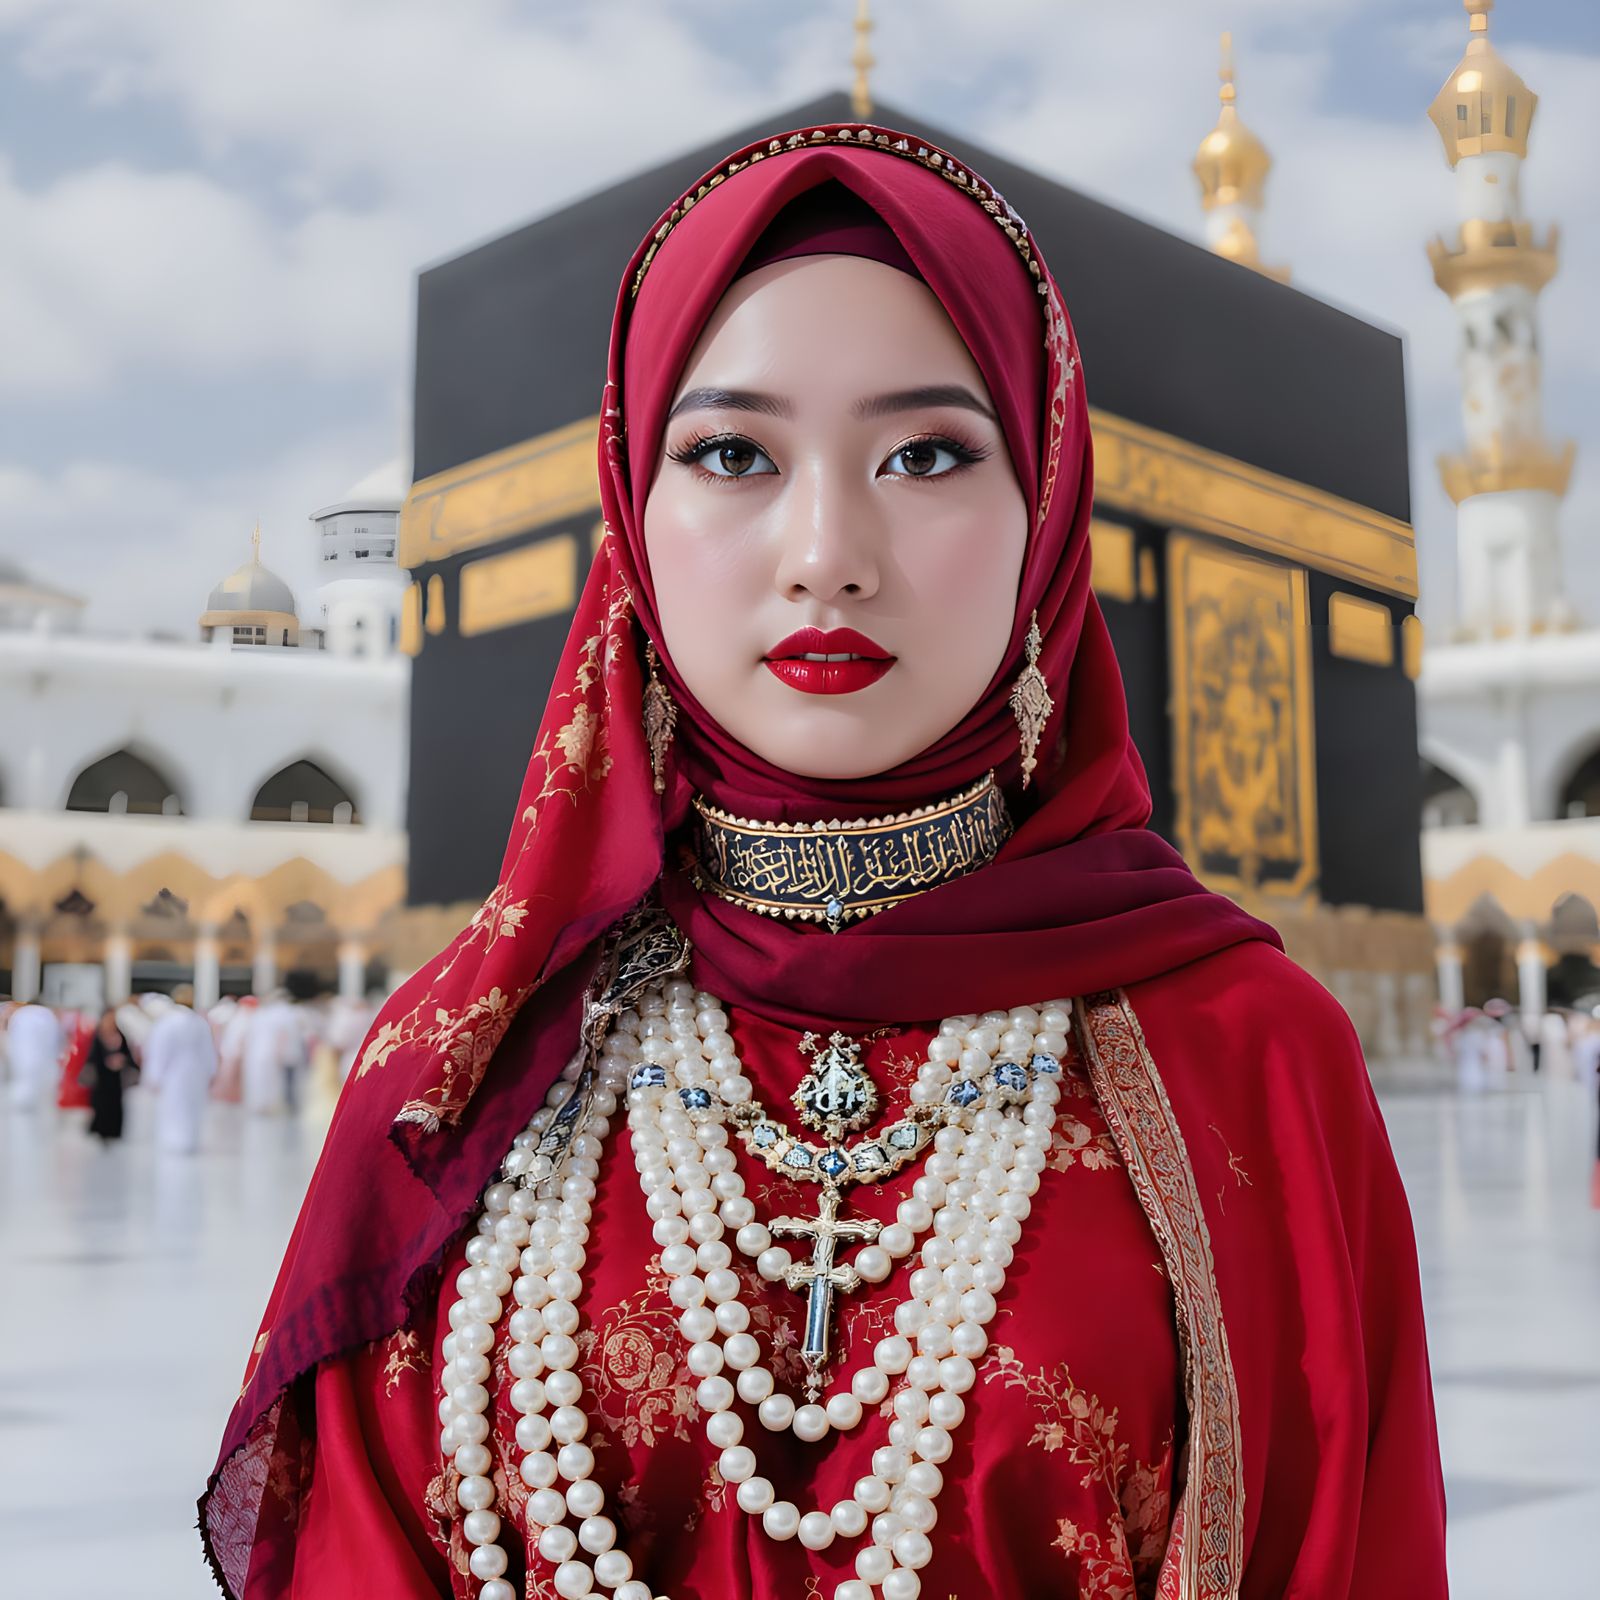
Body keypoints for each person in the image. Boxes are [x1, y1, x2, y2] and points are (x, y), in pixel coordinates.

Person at [203, 124, 1446, 1599]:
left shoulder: (1246, 1055)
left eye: (927, 453)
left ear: (1047, 504)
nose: (826, 550)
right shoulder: (464, 1072)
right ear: (633, 518)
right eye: (732, 453)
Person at [142, 983, 218, 1153]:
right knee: (192, 1106)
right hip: (196, 1072)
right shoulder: (199, 1022)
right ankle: (190, 1140)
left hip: (174, 1073)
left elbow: (159, 1051)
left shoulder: (167, 1022)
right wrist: (211, 1071)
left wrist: (154, 1076)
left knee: (174, 1106)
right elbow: (208, 1050)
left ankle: (175, 1141)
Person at [242, 989, 306, 1116]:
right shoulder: (285, 1013)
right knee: (275, 1081)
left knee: (264, 1080)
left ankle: (265, 1104)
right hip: (272, 1052)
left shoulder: (264, 1014)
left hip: (262, 1052)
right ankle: (272, 1104)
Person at [83, 1006, 135, 1142]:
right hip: (102, 1077)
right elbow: (92, 1055)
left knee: (115, 1103)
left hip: (116, 1078)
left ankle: (114, 1130)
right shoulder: (99, 1034)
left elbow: (128, 1054)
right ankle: (101, 1130)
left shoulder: (120, 1034)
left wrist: (122, 1060)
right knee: (101, 1103)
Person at [5, 999, 64, 1112]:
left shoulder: (21, 1014)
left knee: (23, 1082)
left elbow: (12, 1035)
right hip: (42, 1057)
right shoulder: (46, 1015)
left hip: (21, 1056)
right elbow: (54, 1038)